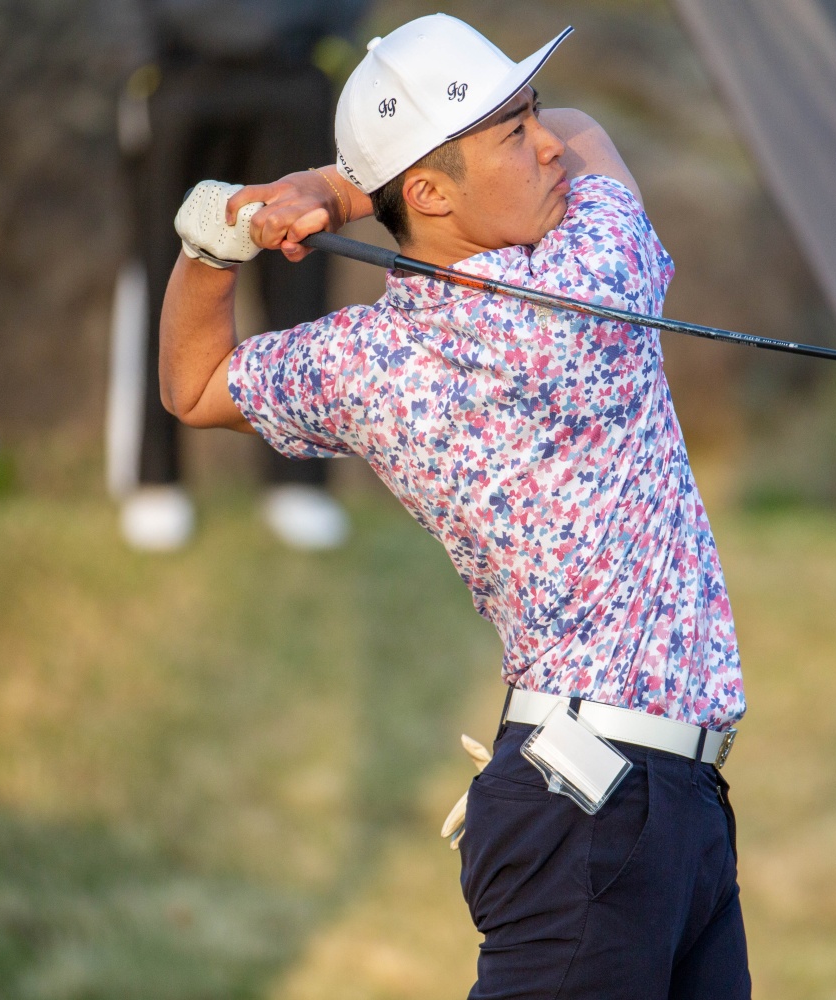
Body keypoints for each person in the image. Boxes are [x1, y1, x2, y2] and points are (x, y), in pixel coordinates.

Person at [160, 14, 750, 998]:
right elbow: (593, 132)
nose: (548, 143)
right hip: (594, 813)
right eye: (514, 132)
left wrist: (212, 247)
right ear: (431, 193)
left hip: (651, 805)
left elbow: (193, 384)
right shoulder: (593, 268)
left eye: (530, 116)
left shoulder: (369, 361)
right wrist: (343, 187)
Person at [110, 0, 371, 551]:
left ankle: (298, 479)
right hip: (180, 73)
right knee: (163, 270)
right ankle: (155, 477)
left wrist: (331, 47)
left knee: (301, 266)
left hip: (292, 69)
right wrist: (138, 56)